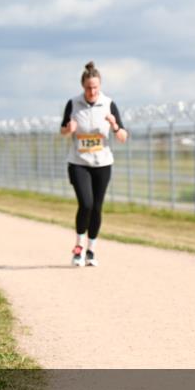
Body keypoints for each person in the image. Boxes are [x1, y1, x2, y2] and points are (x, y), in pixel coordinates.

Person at [59, 61, 128, 267]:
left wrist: (115, 125)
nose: (92, 91)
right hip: (79, 163)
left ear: (100, 86)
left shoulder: (108, 104)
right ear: (83, 86)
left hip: (103, 163)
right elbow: (62, 129)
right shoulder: (73, 104)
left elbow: (123, 136)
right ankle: (78, 248)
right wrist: (68, 129)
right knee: (86, 204)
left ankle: (91, 250)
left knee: (97, 207)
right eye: (88, 87)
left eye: (95, 87)